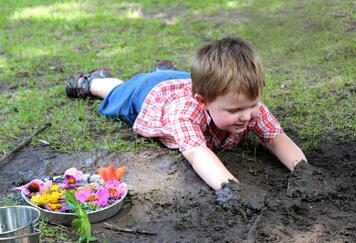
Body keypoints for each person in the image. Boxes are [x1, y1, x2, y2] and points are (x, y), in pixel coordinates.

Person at [65, 36, 307, 190]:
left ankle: (163, 70)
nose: (247, 115)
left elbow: (277, 138)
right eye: (235, 110)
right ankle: (94, 81)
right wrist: (232, 189)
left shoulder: (246, 104)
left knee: (187, 81)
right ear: (203, 101)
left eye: (252, 105)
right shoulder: (185, 114)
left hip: (184, 81)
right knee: (117, 93)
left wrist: (304, 171)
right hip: (149, 93)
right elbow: (198, 153)